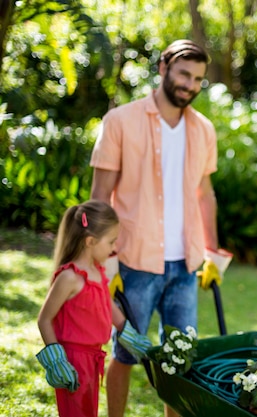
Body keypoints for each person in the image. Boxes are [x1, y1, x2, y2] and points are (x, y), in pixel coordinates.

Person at [89, 39, 229, 417]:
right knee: (125, 352)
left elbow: (205, 195)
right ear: (163, 68)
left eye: (198, 78)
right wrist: (106, 260)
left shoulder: (203, 129)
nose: (190, 84)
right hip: (133, 261)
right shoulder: (120, 121)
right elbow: (100, 196)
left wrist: (213, 254)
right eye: (184, 73)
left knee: (179, 360)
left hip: (185, 266)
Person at [36, 200, 151, 417]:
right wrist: (57, 361)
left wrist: (127, 332)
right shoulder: (69, 277)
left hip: (94, 357)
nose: (114, 248)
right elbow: (44, 319)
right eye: (111, 242)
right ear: (90, 241)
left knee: (89, 411)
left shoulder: (97, 271)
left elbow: (107, 304)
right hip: (73, 360)